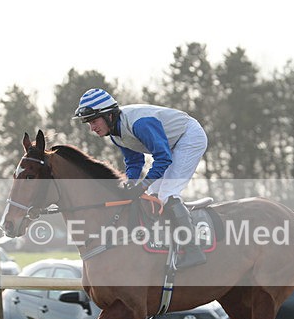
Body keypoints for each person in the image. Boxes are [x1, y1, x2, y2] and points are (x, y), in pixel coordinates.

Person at [72, 88, 207, 268]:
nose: (92, 128)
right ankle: (166, 243)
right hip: (172, 144)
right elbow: (134, 161)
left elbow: (163, 157)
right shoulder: (115, 133)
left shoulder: (140, 124)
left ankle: (193, 250)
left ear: (109, 115)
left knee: (166, 194)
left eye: (94, 121)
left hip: (189, 137)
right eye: (88, 123)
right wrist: (131, 183)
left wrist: (142, 184)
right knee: (152, 195)